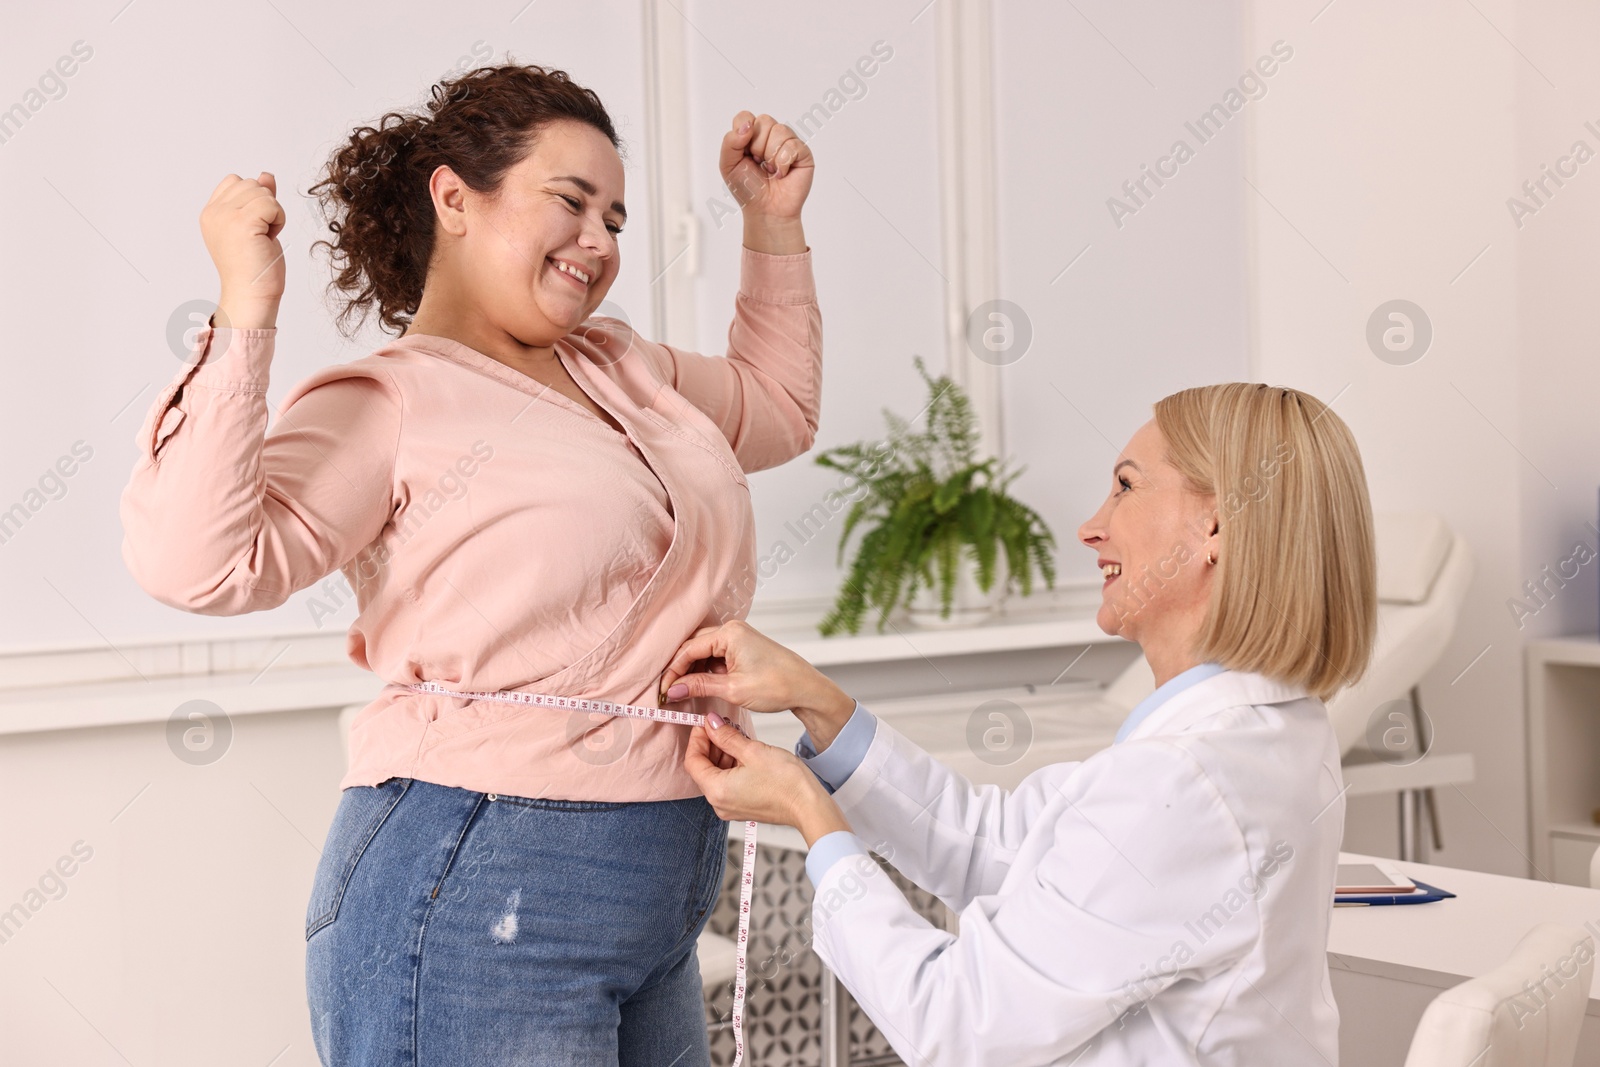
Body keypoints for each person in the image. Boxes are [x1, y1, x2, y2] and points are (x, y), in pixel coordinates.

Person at [119, 62, 820, 1066]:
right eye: (571, 202)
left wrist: (771, 224)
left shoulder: (620, 365)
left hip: (663, 893)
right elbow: (196, 562)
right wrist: (245, 310)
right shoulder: (389, 401)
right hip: (477, 888)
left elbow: (778, 408)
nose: (598, 241)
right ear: (454, 197)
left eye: (615, 221)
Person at [660, 383, 1377, 1065]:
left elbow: (953, 1022)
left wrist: (807, 812)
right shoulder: (1278, 729)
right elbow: (994, 846)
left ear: (1214, 523)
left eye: (1126, 485)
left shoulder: (1183, 783)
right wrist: (819, 702)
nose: (1092, 525)